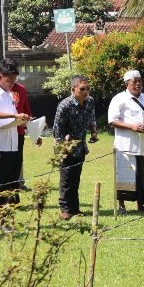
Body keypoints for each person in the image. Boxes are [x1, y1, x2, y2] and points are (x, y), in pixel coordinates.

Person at [0, 60, 31, 231]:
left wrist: (25, 120)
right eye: (9, 80)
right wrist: (12, 115)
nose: (12, 83)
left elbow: (14, 118)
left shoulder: (9, 95)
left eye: (14, 80)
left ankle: (7, 218)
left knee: (11, 184)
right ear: (0, 76)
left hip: (12, 145)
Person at [108, 70, 144, 214]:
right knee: (124, 173)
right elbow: (112, 120)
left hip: (142, 144)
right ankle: (121, 206)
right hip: (125, 144)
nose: (137, 84)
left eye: (139, 81)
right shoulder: (119, 99)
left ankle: (140, 204)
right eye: (134, 81)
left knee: (142, 174)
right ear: (126, 84)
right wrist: (132, 127)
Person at [53, 76, 98, 220]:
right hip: (65, 147)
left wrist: (94, 131)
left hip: (80, 147)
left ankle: (75, 208)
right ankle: (65, 209)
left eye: (87, 89)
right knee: (66, 179)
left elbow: (92, 118)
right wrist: (63, 145)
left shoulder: (90, 102)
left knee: (75, 178)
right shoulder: (64, 105)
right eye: (82, 89)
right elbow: (57, 129)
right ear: (73, 90)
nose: (86, 92)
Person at [11, 75, 40, 191]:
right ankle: (7, 185)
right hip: (4, 132)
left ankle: (19, 183)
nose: (13, 80)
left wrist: (34, 132)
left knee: (18, 158)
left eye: (15, 77)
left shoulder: (21, 89)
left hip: (19, 131)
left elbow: (26, 110)